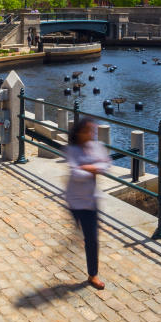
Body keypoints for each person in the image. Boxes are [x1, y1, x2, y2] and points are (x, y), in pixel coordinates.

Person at [64, 117, 111, 289]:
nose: (91, 134)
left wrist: (87, 168)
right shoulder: (72, 150)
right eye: (88, 131)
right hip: (75, 201)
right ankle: (77, 232)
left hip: (91, 201)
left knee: (92, 239)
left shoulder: (97, 147)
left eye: (93, 130)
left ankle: (93, 275)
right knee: (83, 231)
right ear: (79, 133)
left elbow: (106, 165)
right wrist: (92, 168)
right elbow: (76, 174)